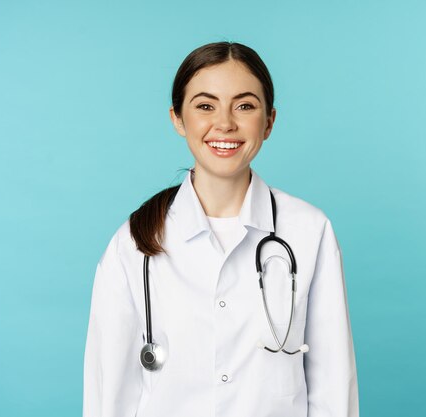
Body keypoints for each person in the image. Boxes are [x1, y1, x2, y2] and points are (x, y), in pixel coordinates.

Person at [83, 41, 359, 417]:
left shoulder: (309, 231)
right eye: (205, 106)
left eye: (245, 105)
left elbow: (333, 386)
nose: (225, 123)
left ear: (270, 122)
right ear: (177, 118)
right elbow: (108, 395)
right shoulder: (133, 243)